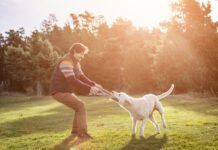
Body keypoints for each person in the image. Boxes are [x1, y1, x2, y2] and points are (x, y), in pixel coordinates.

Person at [50, 43, 105, 140]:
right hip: (58, 91)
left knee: (78, 107)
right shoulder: (66, 62)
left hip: (66, 91)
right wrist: (90, 89)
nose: (82, 57)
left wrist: (94, 84)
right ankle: (82, 133)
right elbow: (72, 80)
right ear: (75, 51)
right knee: (80, 105)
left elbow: (82, 77)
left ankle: (75, 132)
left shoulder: (76, 63)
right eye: (82, 54)